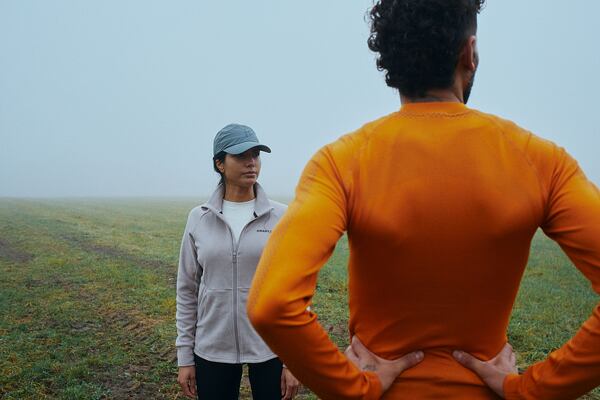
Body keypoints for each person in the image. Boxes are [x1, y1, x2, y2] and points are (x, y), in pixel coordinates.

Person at [247, 0, 600, 399]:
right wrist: (530, 390)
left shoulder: (341, 162)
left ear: (392, 62)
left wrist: (354, 388)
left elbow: (271, 304)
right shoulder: (541, 161)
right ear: (469, 53)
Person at [175, 123, 300, 400]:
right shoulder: (199, 218)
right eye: (241, 156)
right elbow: (186, 289)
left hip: (270, 345)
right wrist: (185, 357)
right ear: (220, 163)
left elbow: (294, 290)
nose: (251, 163)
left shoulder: (281, 216)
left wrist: (293, 360)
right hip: (212, 346)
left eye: (255, 155)